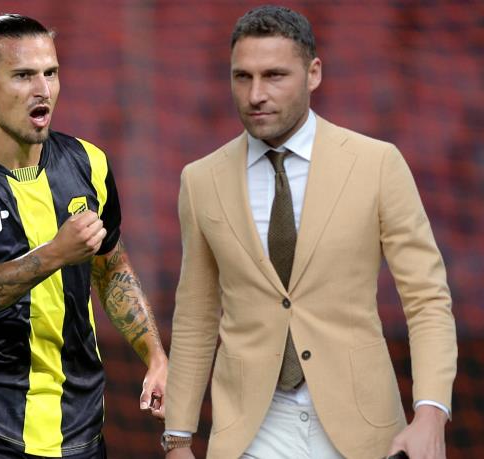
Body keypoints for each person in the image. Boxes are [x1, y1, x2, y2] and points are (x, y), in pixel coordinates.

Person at [162, 5, 456, 459]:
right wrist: (178, 438)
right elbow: (196, 316)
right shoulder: (201, 180)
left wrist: (431, 413)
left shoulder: (377, 164)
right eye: (242, 77)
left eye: (274, 76)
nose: (256, 94)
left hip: (362, 428)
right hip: (250, 431)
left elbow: (426, 299)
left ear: (313, 73)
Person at [0, 13, 167, 459]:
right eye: (23, 75)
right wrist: (55, 253)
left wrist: (156, 357)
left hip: (77, 422)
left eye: (51, 73)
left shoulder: (89, 164)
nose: (42, 89)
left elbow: (111, 268)